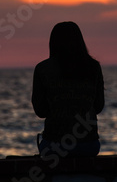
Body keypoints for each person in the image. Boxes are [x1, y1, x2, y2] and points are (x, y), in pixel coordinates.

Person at [32, 21, 104, 157]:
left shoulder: (42, 69)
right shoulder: (94, 67)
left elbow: (40, 111)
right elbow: (99, 106)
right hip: (89, 145)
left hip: (55, 146)